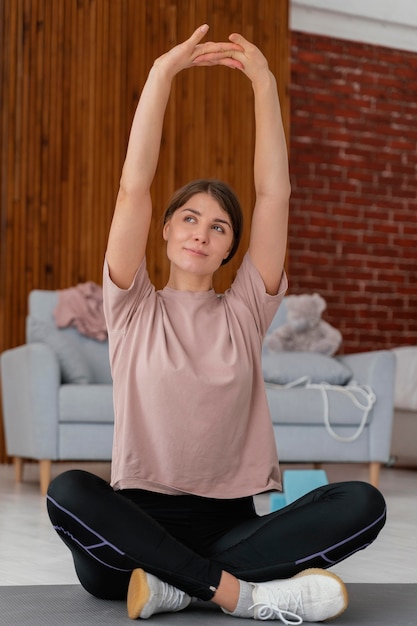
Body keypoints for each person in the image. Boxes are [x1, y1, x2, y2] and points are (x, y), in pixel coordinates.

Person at [47, 25, 386, 623]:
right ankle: (240, 596)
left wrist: (262, 82)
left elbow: (273, 195)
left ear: (231, 249)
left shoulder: (246, 309)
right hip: (135, 529)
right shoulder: (133, 304)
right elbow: (134, 187)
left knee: (364, 503)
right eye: (188, 218)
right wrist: (161, 76)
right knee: (68, 492)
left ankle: (179, 585)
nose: (201, 232)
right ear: (166, 231)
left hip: (231, 529)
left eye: (220, 226)